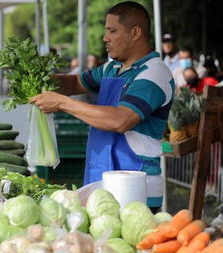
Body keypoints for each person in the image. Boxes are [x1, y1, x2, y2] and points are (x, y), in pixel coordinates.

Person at [30, 1, 174, 212]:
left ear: (135, 33)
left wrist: (61, 103)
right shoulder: (111, 68)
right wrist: (38, 79)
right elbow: (76, 83)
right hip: (100, 181)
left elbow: (120, 120)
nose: (105, 38)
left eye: (112, 31)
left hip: (135, 191)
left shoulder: (154, 73)